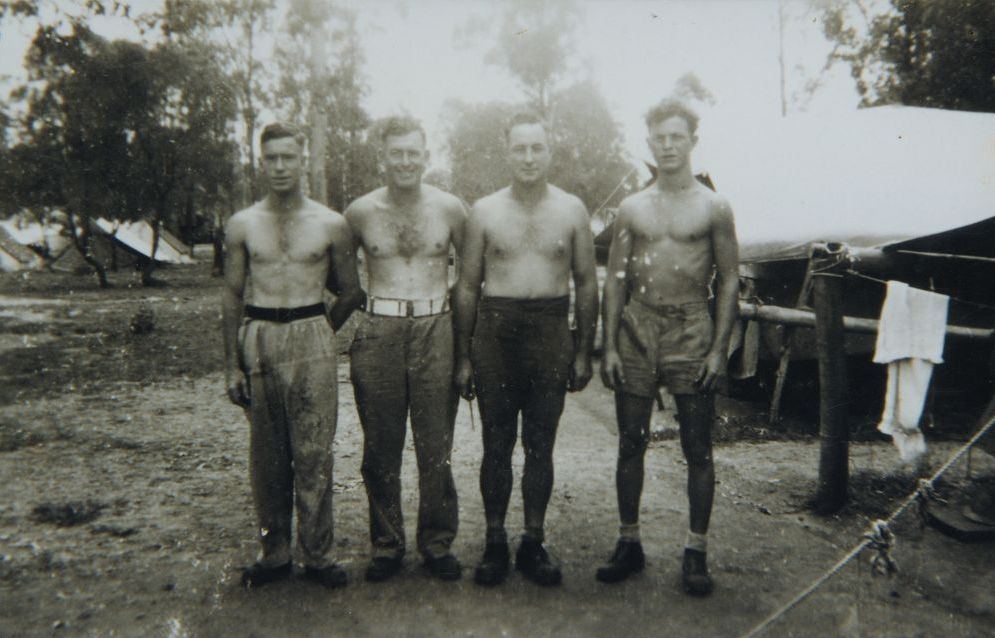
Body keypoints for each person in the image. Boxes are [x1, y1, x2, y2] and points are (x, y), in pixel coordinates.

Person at [597, 98, 739, 596]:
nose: (669, 145)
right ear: (650, 143)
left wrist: (719, 348)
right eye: (660, 138)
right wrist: (609, 344)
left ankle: (695, 551)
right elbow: (614, 281)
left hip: (690, 326)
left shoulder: (713, 205)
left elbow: (728, 279)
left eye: (677, 137)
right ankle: (629, 541)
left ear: (692, 142)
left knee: (697, 447)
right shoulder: (632, 207)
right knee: (630, 440)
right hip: (638, 324)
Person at [454, 112, 598, 587]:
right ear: (507, 151)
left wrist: (583, 351)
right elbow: (468, 287)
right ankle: (495, 541)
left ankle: (533, 540)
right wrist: (464, 355)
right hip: (496, 331)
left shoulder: (573, 210)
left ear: (549, 152)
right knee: (496, 441)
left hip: (550, 329)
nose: (529, 157)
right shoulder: (484, 212)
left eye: (537, 148)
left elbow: (585, 282)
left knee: (541, 442)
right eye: (520, 148)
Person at [222, 122, 364, 589]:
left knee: (313, 449)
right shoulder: (243, 224)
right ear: (261, 163)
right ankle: (274, 552)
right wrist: (231, 364)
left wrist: (321, 328)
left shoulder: (330, 223)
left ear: (302, 161)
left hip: (310, 333)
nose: (280, 167)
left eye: (288, 158)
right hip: (259, 335)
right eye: (272, 159)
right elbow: (231, 295)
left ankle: (318, 555)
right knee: (266, 454)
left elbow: (351, 291)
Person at [345, 116, 466, 582]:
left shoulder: (452, 209)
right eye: (396, 152)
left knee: (436, 444)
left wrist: (466, 345)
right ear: (383, 156)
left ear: (426, 156)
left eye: (413, 152)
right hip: (380, 327)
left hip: (436, 324)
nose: (405, 161)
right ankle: (387, 544)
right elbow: (339, 278)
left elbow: (472, 279)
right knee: (380, 445)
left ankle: (437, 542)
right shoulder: (359, 212)